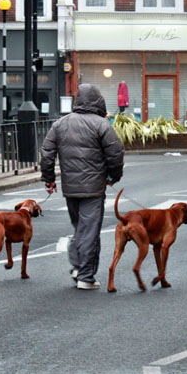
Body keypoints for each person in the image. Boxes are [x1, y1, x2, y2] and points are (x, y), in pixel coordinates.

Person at [41, 84, 124, 290]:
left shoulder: (60, 124)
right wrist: (114, 176)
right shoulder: (102, 125)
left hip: (70, 188)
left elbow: (46, 154)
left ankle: (78, 267)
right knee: (89, 231)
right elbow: (116, 154)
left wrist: (49, 179)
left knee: (80, 229)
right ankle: (85, 276)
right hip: (94, 188)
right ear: (98, 101)